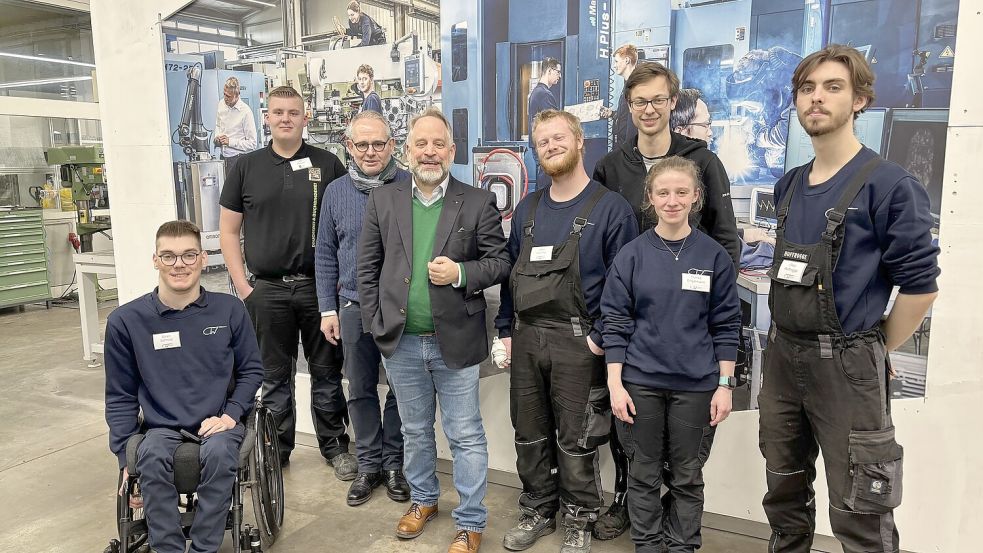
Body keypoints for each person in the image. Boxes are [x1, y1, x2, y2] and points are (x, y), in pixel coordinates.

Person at [759, 44, 939, 552]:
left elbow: (921, 287)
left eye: (833, 88)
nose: (817, 99)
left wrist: (873, 346)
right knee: (784, 490)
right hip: (782, 359)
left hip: (847, 366)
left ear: (859, 100)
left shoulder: (889, 185)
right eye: (807, 89)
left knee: (862, 506)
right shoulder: (790, 184)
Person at [591, 61, 740, 541]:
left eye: (658, 99)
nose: (649, 109)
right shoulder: (612, 167)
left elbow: (725, 247)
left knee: (685, 467)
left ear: (672, 102)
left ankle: (680, 539)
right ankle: (636, 523)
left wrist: (698, 303)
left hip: (691, 357)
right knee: (638, 453)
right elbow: (599, 255)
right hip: (635, 348)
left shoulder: (703, 162)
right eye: (639, 101)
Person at [357, 108, 510, 553]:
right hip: (401, 342)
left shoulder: (478, 201)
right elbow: (366, 269)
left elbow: (499, 262)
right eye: (420, 144)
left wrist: (460, 273)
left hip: (455, 342)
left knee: (464, 433)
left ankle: (470, 520)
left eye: (438, 144)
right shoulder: (384, 199)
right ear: (407, 151)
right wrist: (376, 323)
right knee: (415, 430)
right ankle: (423, 500)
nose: (429, 152)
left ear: (452, 150)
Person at [496, 109, 638, 553]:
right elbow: (510, 275)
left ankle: (579, 516)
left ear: (579, 142)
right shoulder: (528, 209)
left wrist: (601, 336)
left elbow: (626, 284)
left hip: (581, 340)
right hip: (527, 337)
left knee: (578, 437)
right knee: (529, 430)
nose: (552, 146)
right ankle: (538, 508)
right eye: (543, 142)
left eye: (559, 138)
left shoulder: (610, 208)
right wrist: (505, 329)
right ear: (536, 152)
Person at [219, 86, 355, 479]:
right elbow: (228, 232)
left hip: (320, 289)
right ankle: (276, 451)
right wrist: (244, 286)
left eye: (293, 112)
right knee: (273, 376)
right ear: (266, 116)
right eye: (277, 112)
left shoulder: (328, 165)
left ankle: (334, 447)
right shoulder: (245, 167)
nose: (285, 118)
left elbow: (345, 227)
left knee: (327, 372)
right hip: (267, 290)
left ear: (305, 116)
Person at [105, 220, 264, 553]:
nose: (180, 265)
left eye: (189, 255)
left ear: (203, 259)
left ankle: (203, 548)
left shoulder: (230, 310)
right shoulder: (126, 321)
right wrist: (123, 454)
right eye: (169, 256)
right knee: (147, 453)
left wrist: (232, 414)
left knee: (221, 453)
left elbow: (251, 371)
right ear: (155, 260)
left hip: (218, 422)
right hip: (160, 427)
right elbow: (120, 396)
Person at [315, 111, 410, 507]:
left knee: (403, 391)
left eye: (378, 144)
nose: (370, 152)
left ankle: (394, 465)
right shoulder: (336, 192)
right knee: (360, 389)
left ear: (392, 145)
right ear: (348, 147)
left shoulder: (410, 185)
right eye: (362, 144)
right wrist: (327, 309)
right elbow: (324, 254)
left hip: (403, 308)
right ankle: (368, 465)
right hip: (353, 306)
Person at [527, 57, 562, 191]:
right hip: (544, 145)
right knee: (546, 186)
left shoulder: (537, 92)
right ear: (549, 71)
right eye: (558, 72)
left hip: (538, 144)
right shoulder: (544, 94)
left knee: (542, 183)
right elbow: (553, 122)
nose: (560, 76)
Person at [213, 76, 258, 167]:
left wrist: (230, 142)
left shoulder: (246, 112)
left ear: (237, 95)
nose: (225, 98)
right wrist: (217, 137)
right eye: (224, 94)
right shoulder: (221, 104)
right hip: (223, 158)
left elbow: (252, 143)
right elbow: (218, 125)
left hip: (238, 159)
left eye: (228, 96)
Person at [600, 44, 639, 147]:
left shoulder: (634, 86)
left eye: (616, 61)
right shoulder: (627, 83)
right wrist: (612, 114)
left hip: (627, 148)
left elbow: (633, 125)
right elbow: (627, 114)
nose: (614, 65)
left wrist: (627, 154)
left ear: (626, 60)